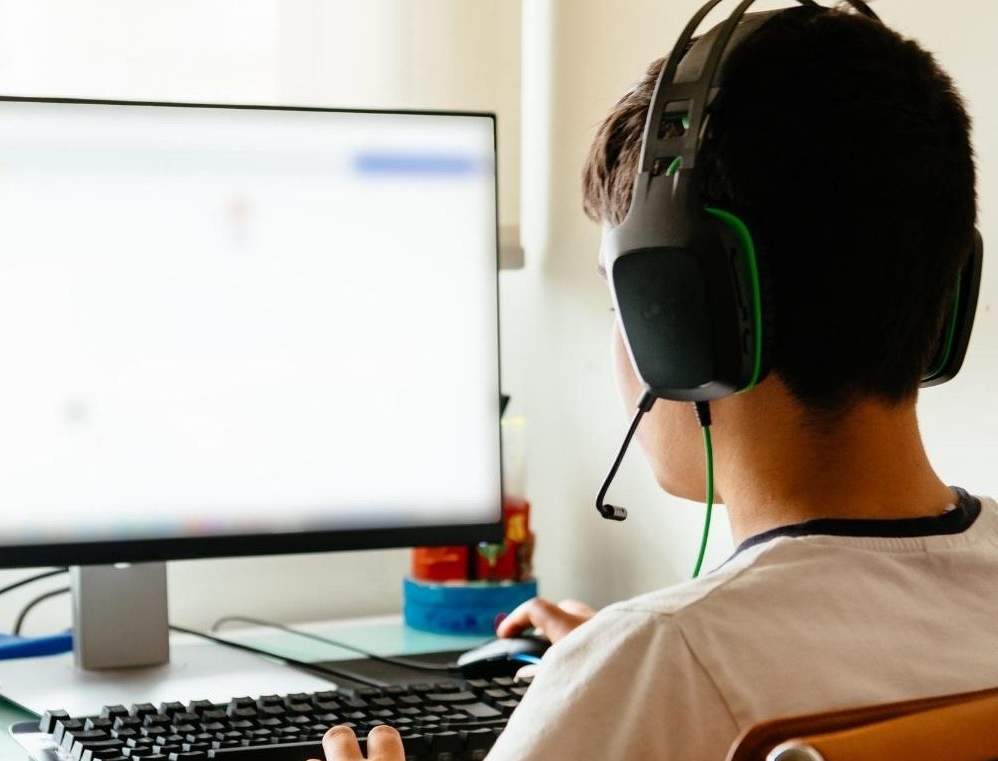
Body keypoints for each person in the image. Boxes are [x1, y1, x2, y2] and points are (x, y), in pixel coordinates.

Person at [316, 4, 997, 760]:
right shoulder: (656, 664)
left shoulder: (657, 664)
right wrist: (619, 673)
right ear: (949, 293)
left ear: (679, 318)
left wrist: (618, 678)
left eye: (622, 300)